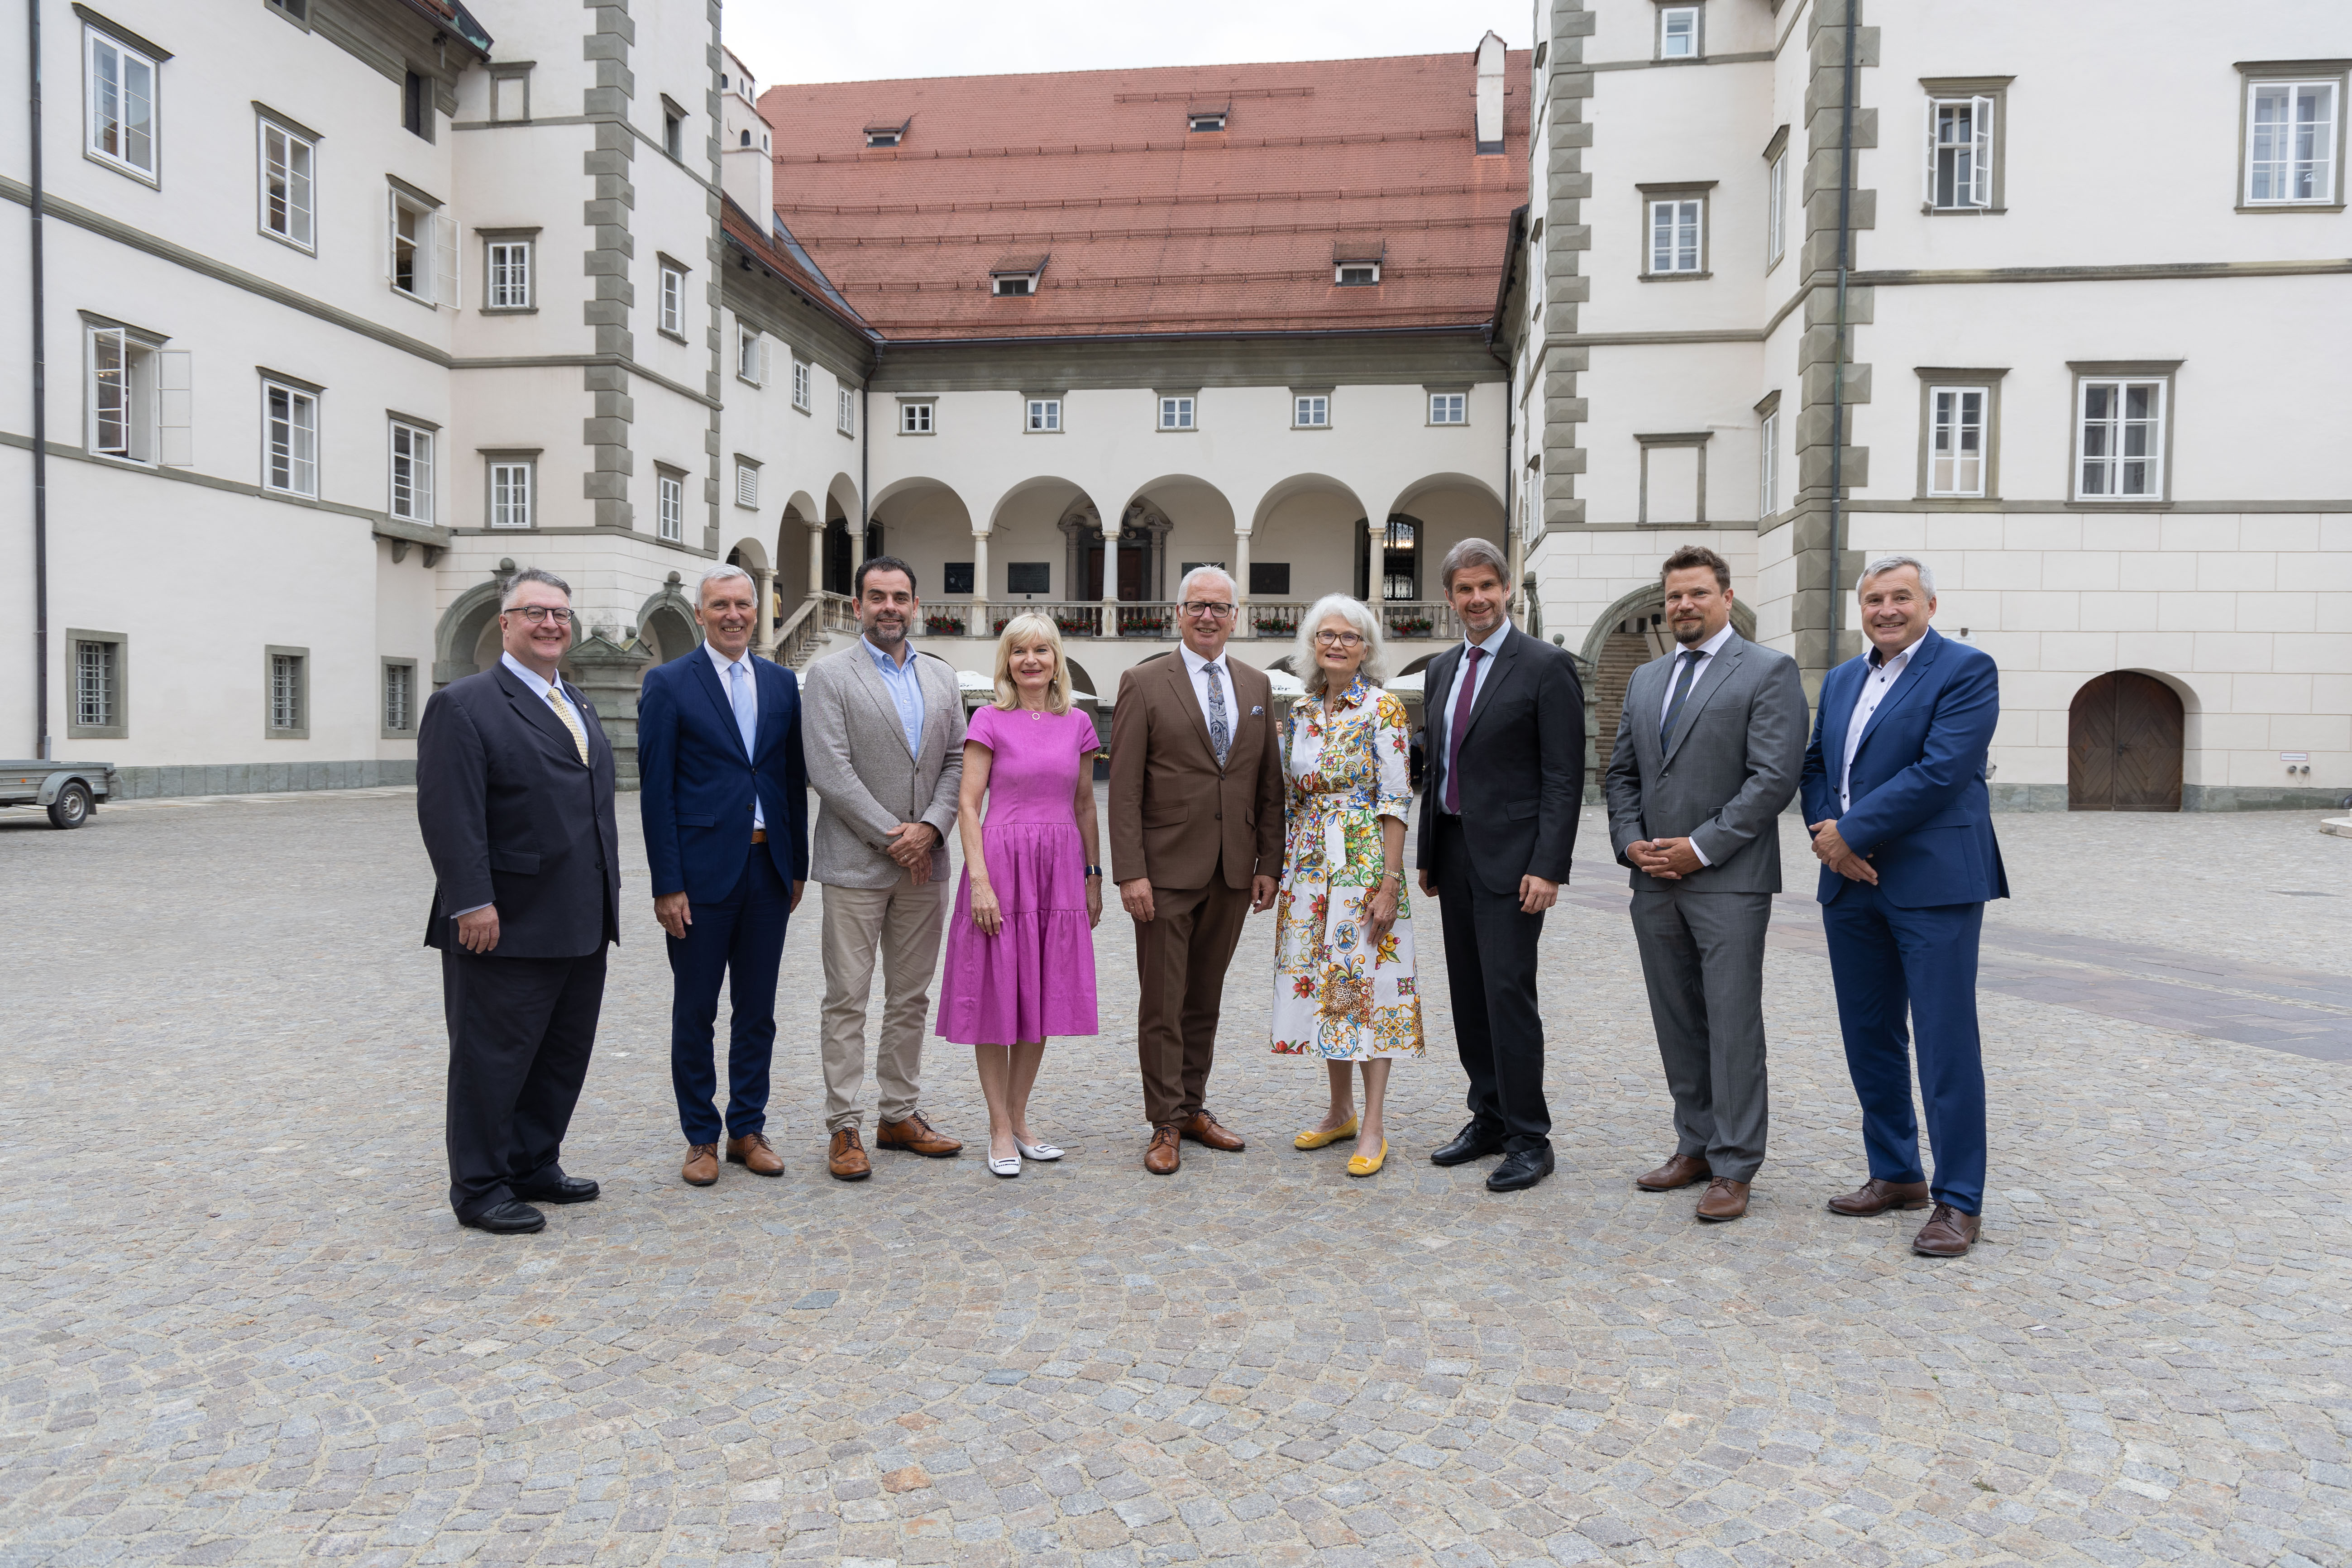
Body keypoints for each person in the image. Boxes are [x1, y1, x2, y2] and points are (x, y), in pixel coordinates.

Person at [1800, 554, 2007, 1258]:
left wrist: (1849, 834)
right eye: (1874, 600)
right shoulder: (1840, 679)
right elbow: (1817, 766)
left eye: (1901, 598)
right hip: (1850, 884)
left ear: (1930, 604)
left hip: (1933, 880)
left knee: (1946, 1043)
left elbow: (1943, 770)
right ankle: (1895, 1173)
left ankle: (1959, 1200)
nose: (1886, 610)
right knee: (1870, 1035)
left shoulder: (1965, 670)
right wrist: (1828, 837)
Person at [1603, 547, 1807, 1222]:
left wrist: (1700, 847)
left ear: (1724, 597)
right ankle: (1694, 1142)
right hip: (1653, 880)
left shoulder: (1768, 671)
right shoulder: (1646, 679)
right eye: (1673, 597)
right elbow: (1622, 774)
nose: (1683, 606)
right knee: (1677, 1018)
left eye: (1696, 594)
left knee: (1731, 1022)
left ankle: (1736, 1163)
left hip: (1729, 880)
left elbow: (1773, 778)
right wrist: (1631, 842)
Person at [415, 567, 618, 1235]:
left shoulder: (579, 704)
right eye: (535, 613)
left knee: (561, 1053)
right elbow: (451, 816)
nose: (551, 624)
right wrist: (471, 901)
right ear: (505, 624)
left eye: (561, 613)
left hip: (581, 917)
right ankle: (479, 1187)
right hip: (503, 922)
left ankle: (534, 1162)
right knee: (491, 1058)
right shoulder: (466, 704)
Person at [1415, 538, 1585, 1193]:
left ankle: (1529, 1137)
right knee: (1469, 995)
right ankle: (1486, 1116)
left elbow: (1563, 777)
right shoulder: (1441, 668)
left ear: (1506, 589)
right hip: (1454, 853)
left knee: (1509, 995)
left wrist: (1549, 866)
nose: (1477, 599)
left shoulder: (1544, 666)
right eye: (1464, 589)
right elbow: (1438, 769)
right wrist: (1429, 855)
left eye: (1487, 586)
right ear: (1451, 597)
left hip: (1516, 863)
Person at [636, 564, 810, 1189]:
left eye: (743, 604)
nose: (733, 615)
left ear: (757, 610)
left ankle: (747, 1128)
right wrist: (666, 884)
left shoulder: (781, 684)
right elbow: (656, 793)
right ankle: (699, 1137)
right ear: (701, 613)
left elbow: (792, 780)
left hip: (768, 868)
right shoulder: (668, 683)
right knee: (696, 1010)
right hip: (700, 876)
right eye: (720, 606)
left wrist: (798, 867)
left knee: (758, 1010)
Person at [1108, 564, 1284, 1176]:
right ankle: (1164, 1121)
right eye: (1196, 605)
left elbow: (1268, 785)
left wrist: (1269, 862)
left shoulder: (1257, 685)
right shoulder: (1143, 681)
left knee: (1204, 998)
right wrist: (1129, 871)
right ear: (1177, 613)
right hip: (1162, 873)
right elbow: (1124, 788)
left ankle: (1192, 1107)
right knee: (1163, 1000)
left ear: (1237, 617)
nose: (1208, 616)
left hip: (1233, 872)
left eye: (1220, 607)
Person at [801, 556, 969, 1180]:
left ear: (915, 604)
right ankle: (844, 1126)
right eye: (877, 597)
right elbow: (830, 771)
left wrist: (930, 830)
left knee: (911, 997)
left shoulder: (942, 678)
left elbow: (957, 760)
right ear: (857, 607)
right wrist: (894, 837)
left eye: (900, 596)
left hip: (927, 863)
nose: (890, 607)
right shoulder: (829, 676)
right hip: (854, 865)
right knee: (846, 998)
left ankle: (899, 1112)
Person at [936, 614, 1104, 1177]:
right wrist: (979, 879)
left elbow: (1084, 803)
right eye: (1018, 652)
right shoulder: (987, 718)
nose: (1030, 660)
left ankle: (1021, 1117)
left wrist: (1093, 873)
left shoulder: (1078, 722)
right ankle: (998, 1125)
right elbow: (967, 804)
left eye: (1041, 650)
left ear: (1056, 659)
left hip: (1058, 869)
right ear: (1006, 661)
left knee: (1040, 996)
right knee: (995, 997)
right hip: (1001, 868)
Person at [1273, 594, 1424, 1178]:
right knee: (1325, 986)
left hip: (1363, 863)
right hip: (1310, 865)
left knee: (1369, 985)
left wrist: (1388, 884)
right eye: (1326, 635)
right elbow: (1293, 796)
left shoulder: (1384, 709)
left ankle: (1374, 1123)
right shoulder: (1304, 711)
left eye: (1350, 637)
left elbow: (1396, 799)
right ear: (1313, 644)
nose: (1336, 644)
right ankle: (1338, 1109)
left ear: (1367, 648)